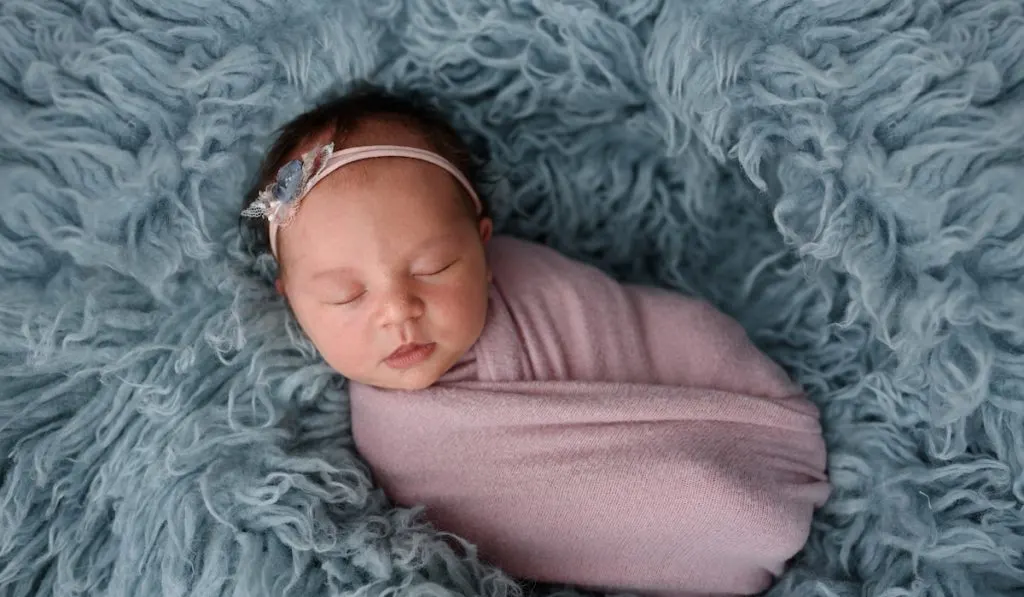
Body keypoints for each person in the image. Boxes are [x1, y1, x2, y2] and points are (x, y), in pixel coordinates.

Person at [240, 83, 830, 597]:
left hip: (748, 410)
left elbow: (655, 331)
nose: (398, 311)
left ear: (483, 247)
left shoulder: (532, 280)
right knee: (724, 507)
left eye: (435, 267)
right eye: (346, 296)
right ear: (291, 297)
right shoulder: (391, 447)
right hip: (717, 516)